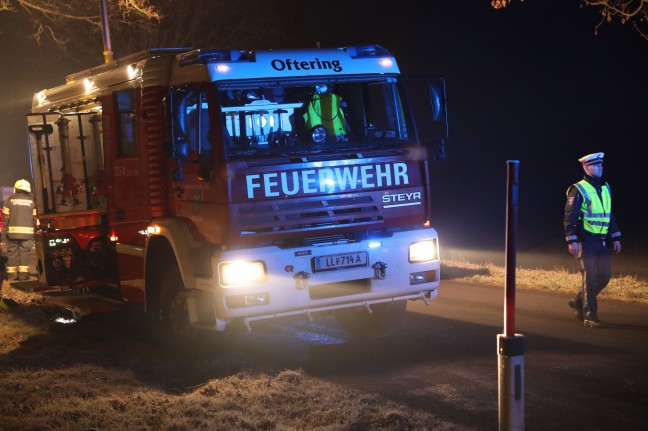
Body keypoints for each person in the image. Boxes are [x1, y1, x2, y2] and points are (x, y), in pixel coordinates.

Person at [564, 152, 621, 328]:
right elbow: (570, 216)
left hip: (601, 241)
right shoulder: (578, 189)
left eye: (601, 165)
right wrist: (571, 239)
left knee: (604, 276)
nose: (600, 167)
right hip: (585, 240)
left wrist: (616, 236)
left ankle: (580, 300)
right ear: (586, 167)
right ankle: (590, 317)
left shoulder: (605, 187)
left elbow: (608, 213)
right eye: (597, 165)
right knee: (589, 278)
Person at [1, 179, 37, 281]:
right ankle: (23, 276)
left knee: (12, 254)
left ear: (16, 188)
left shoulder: (9, 200)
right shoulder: (32, 201)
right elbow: (34, 219)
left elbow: (5, 219)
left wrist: (4, 235)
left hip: (12, 234)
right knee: (24, 254)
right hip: (27, 235)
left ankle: (11, 277)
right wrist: (35, 231)